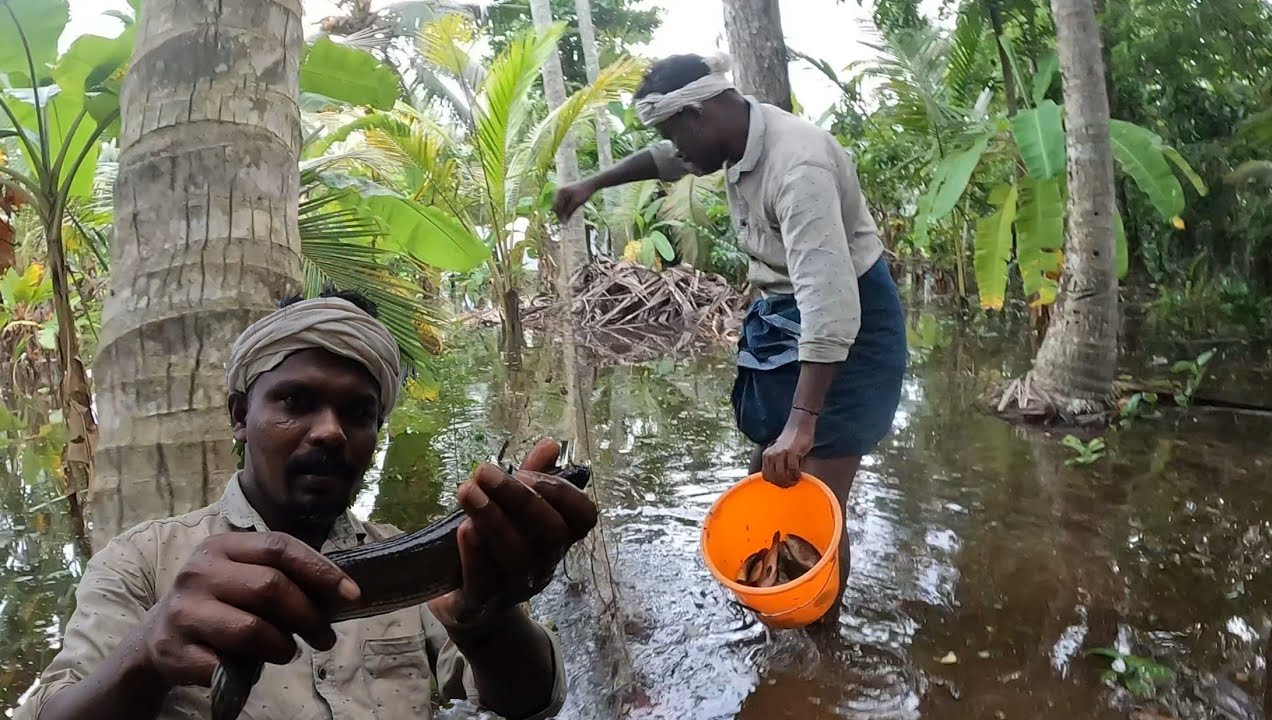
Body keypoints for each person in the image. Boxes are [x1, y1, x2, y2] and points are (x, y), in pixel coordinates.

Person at [17, 290, 597, 720]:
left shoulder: (416, 565)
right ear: (241, 417)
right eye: (297, 401)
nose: (330, 433)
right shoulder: (143, 562)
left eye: (358, 412)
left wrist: (488, 616)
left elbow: (530, 706)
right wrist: (146, 654)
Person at [553, 54, 906, 601]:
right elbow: (664, 160)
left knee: (816, 504)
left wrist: (804, 420)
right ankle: (772, 616)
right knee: (769, 474)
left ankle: (821, 648)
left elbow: (831, 306)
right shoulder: (733, 134)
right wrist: (591, 185)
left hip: (848, 326)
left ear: (700, 115)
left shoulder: (799, 166)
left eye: (678, 135)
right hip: (788, 314)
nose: (679, 151)